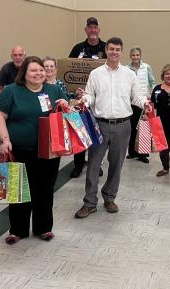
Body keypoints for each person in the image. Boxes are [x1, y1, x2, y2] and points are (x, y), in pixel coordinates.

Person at [0, 56, 68, 244]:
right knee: (18, 189)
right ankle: (17, 230)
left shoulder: (54, 89)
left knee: (45, 189)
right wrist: (5, 139)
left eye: (41, 70)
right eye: (33, 70)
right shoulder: (11, 91)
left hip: (49, 150)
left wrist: (66, 107)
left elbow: (66, 114)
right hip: (19, 149)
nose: (39, 73)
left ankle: (43, 228)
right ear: (24, 73)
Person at [74, 37, 150, 219]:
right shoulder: (96, 74)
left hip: (123, 125)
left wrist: (145, 103)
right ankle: (89, 202)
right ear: (106, 51)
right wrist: (84, 100)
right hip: (99, 124)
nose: (114, 52)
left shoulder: (129, 74)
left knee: (116, 164)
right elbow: (91, 96)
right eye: (111, 49)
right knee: (93, 164)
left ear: (121, 52)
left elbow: (136, 97)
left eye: (118, 49)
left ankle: (109, 197)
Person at [68, 17, 107, 179]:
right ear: (86, 30)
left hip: (99, 98)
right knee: (79, 131)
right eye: (90, 27)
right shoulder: (77, 48)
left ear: (99, 30)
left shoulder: (106, 48)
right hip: (79, 98)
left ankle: (95, 164)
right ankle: (78, 165)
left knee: (95, 132)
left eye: (95, 27)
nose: (92, 30)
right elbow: (69, 68)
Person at [126, 46, 155, 163]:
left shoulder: (146, 67)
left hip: (143, 101)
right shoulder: (126, 68)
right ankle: (132, 152)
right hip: (131, 102)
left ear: (140, 56)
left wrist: (151, 94)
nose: (135, 57)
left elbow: (152, 82)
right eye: (133, 55)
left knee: (143, 127)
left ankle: (142, 154)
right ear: (130, 56)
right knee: (132, 128)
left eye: (137, 55)